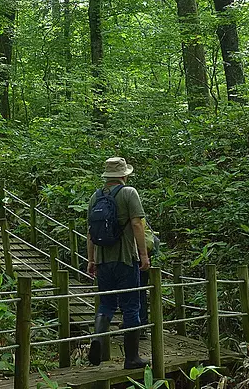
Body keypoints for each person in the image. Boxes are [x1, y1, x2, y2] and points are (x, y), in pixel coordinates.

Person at [86, 156, 151, 371]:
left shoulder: (95, 197)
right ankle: (131, 358)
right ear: (123, 175)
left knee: (106, 304)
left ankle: (97, 338)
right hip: (125, 259)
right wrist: (143, 255)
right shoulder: (129, 193)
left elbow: (90, 233)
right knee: (131, 307)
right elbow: (137, 224)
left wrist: (91, 260)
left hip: (103, 261)